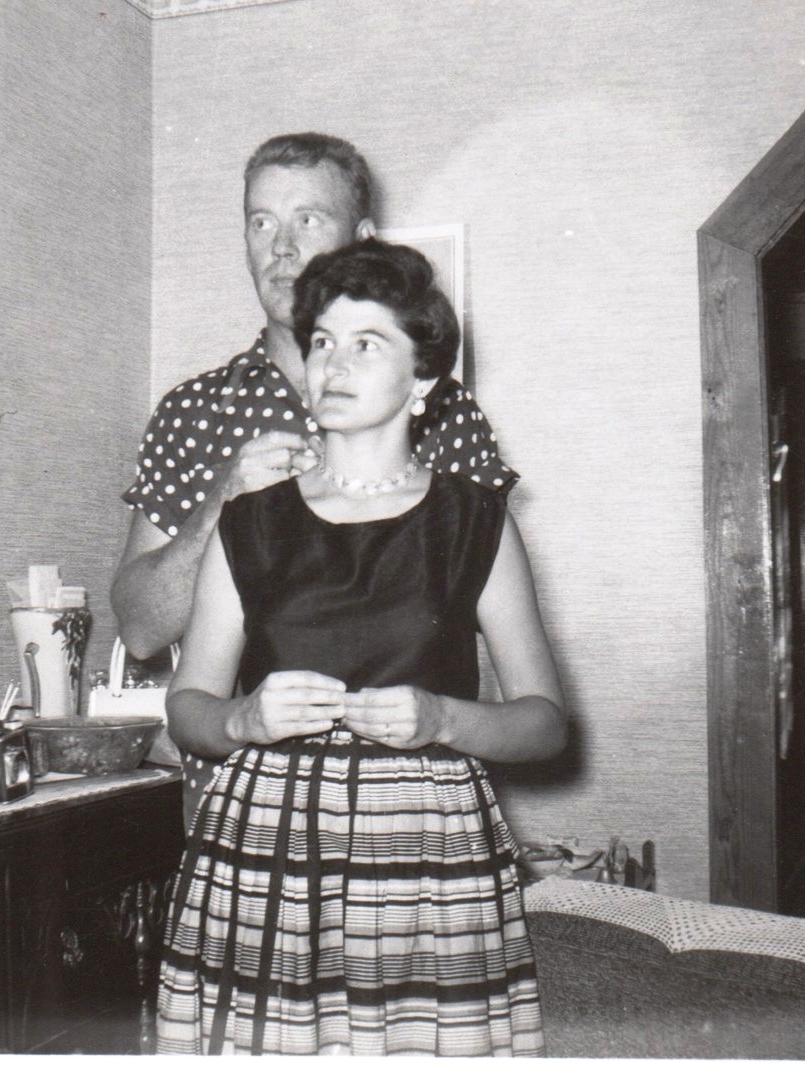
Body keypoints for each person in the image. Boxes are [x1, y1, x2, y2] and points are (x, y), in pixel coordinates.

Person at [156, 238, 566, 1057]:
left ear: (422, 380)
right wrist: (241, 719)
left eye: (366, 344)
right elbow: (187, 709)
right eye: (321, 342)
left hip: (427, 854)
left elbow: (545, 724)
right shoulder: (250, 522)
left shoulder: (474, 521)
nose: (333, 365)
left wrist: (442, 718)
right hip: (266, 848)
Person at [111, 133, 518, 666]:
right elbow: (141, 631)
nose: (281, 247)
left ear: (362, 241)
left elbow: (494, 635)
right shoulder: (193, 414)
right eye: (262, 222)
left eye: (308, 219)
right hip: (239, 721)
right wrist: (223, 503)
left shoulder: (443, 411)